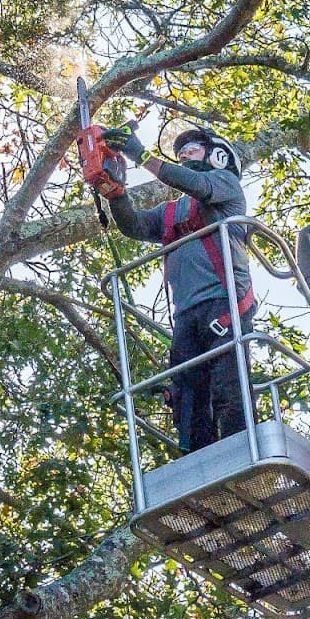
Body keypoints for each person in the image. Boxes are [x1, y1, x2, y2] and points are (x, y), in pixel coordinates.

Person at [98, 125, 255, 453]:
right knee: (187, 395)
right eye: (180, 154)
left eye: (192, 151)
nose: (184, 157)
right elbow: (135, 226)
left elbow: (195, 183)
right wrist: (116, 193)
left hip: (223, 305)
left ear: (216, 155)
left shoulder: (224, 186)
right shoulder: (171, 212)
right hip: (186, 315)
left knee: (229, 389)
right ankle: (200, 462)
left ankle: (242, 454)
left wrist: (141, 156)